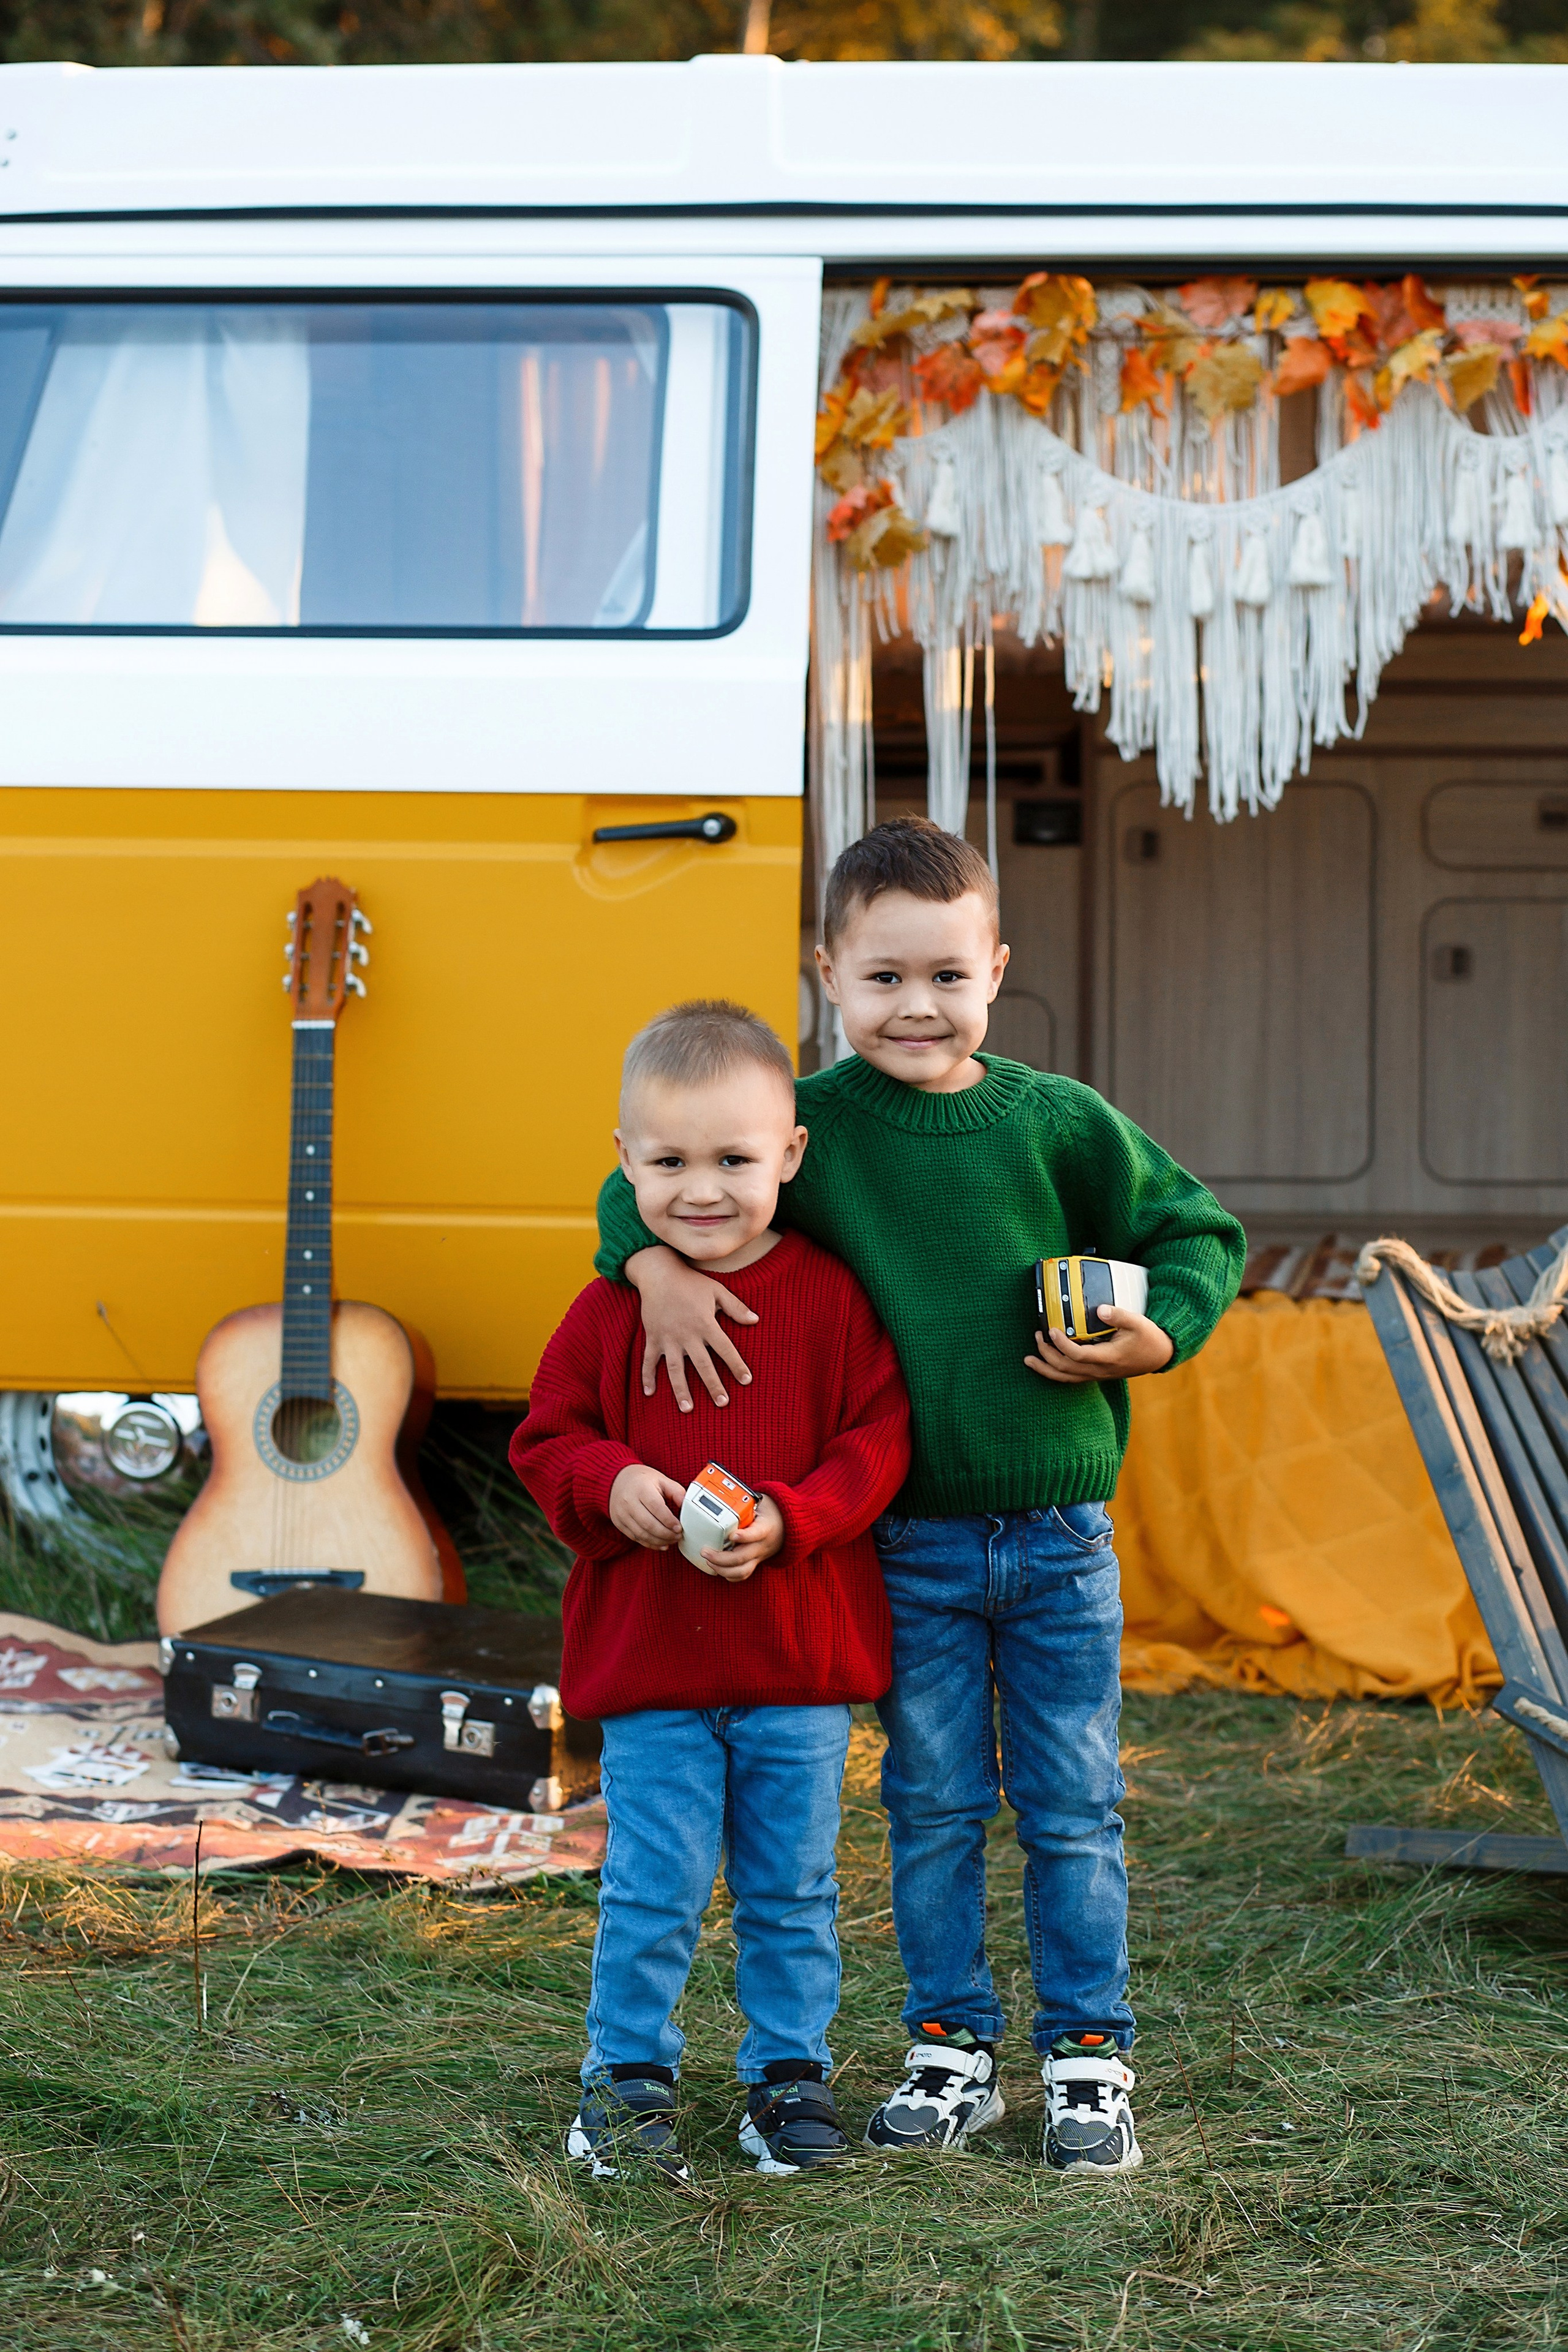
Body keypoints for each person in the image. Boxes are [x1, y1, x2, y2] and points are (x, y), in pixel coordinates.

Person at [593, 817, 1247, 2176]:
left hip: (1059, 1538)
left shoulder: (1055, 1123)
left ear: (994, 970)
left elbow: (1198, 1231)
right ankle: (949, 2046)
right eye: (882, 977)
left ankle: (1087, 2057)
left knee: (1071, 1804)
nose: (914, 1006)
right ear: (825, 972)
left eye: (944, 975)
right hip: (901, 1538)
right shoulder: (807, 1128)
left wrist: (1155, 1333)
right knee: (935, 1801)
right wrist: (642, 1270)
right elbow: (653, 1174)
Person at [511, 998, 911, 2185]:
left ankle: (785, 2075)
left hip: (793, 1665)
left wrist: (795, 1517)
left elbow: (877, 1440)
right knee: (654, 1888)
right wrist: (614, 1484)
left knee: (791, 1890)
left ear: (787, 1155)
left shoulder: (830, 1301)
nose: (701, 1189)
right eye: (668, 1160)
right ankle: (626, 2075)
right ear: (623, 1163)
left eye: (733, 1159)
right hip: (656, 1672)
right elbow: (547, 1442)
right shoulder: (604, 1311)